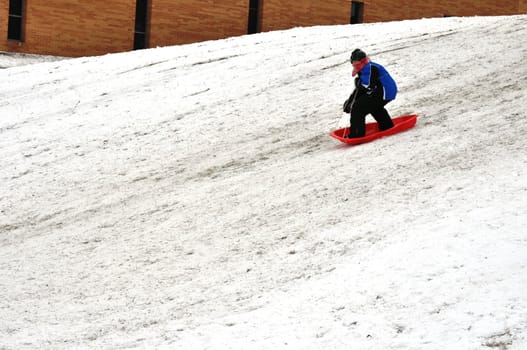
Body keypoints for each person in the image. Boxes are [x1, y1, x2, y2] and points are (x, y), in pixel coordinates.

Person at [342, 49, 397, 138]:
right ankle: (387, 126)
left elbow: (369, 87)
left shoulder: (371, 67)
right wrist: (350, 101)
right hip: (380, 91)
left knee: (358, 107)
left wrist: (353, 102)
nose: (355, 66)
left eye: (357, 63)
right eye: (354, 64)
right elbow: (360, 89)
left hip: (385, 91)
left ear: (363, 61)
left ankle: (357, 134)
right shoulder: (363, 69)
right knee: (372, 106)